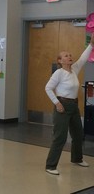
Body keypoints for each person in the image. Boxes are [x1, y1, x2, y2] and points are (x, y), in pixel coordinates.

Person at [45, 33, 94, 176]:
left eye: (70, 55)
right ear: (60, 61)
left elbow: (83, 58)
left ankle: (77, 158)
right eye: (66, 56)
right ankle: (50, 165)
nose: (69, 56)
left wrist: (91, 44)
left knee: (78, 134)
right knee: (60, 137)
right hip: (62, 106)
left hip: (73, 106)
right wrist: (57, 103)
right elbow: (48, 88)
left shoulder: (74, 70)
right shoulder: (59, 73)